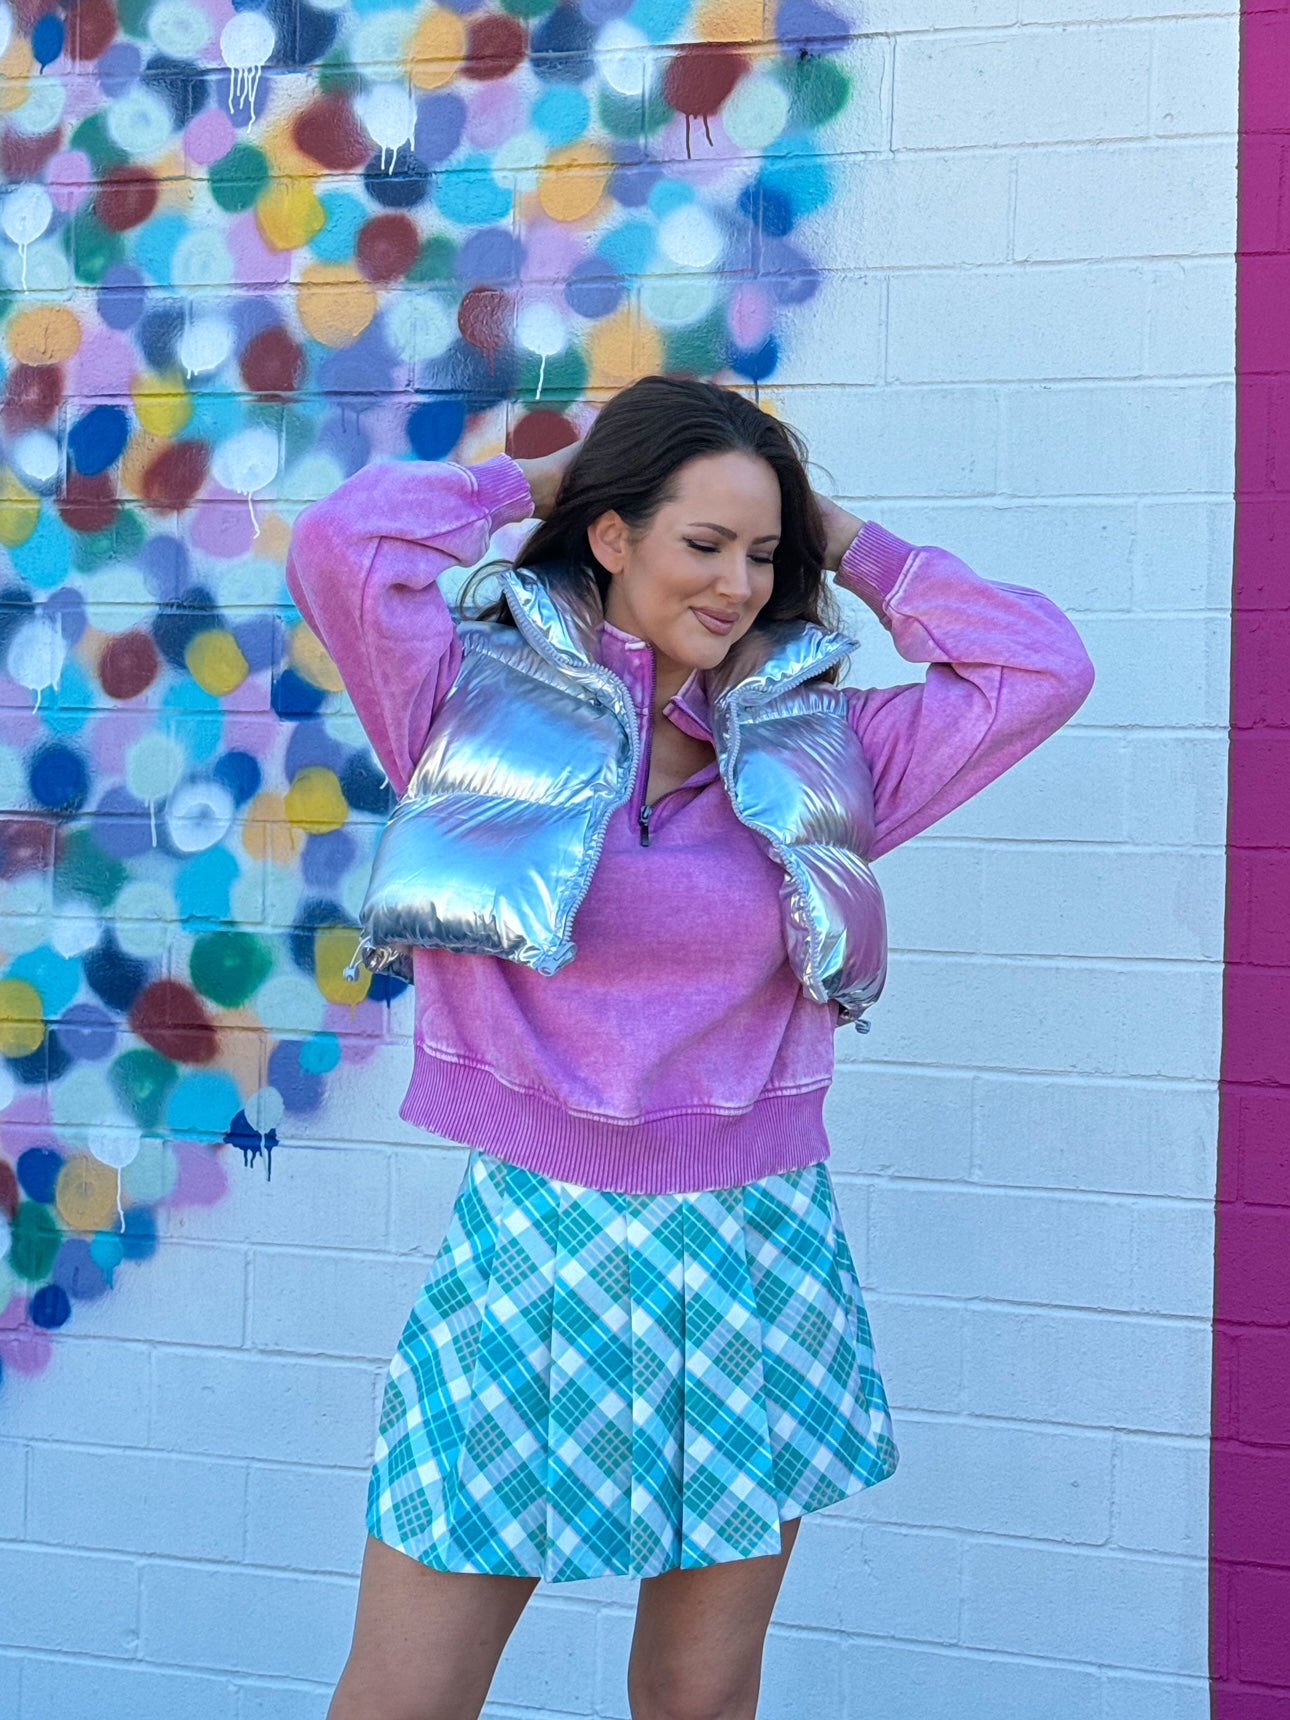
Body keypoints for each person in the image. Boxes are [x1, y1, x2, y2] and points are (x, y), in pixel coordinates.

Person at [285, 374, 1095, 1720]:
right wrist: (541, 481)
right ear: (612, 536)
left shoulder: (822, 749)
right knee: (408, 1696)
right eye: (703, 543)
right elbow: (343, 544)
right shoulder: (464, 700)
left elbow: (1039, 667)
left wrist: (844, 539)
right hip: (533, 1239)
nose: (737, 585)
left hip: (755, 1243)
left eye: (764, 554)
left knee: (698, 1696)